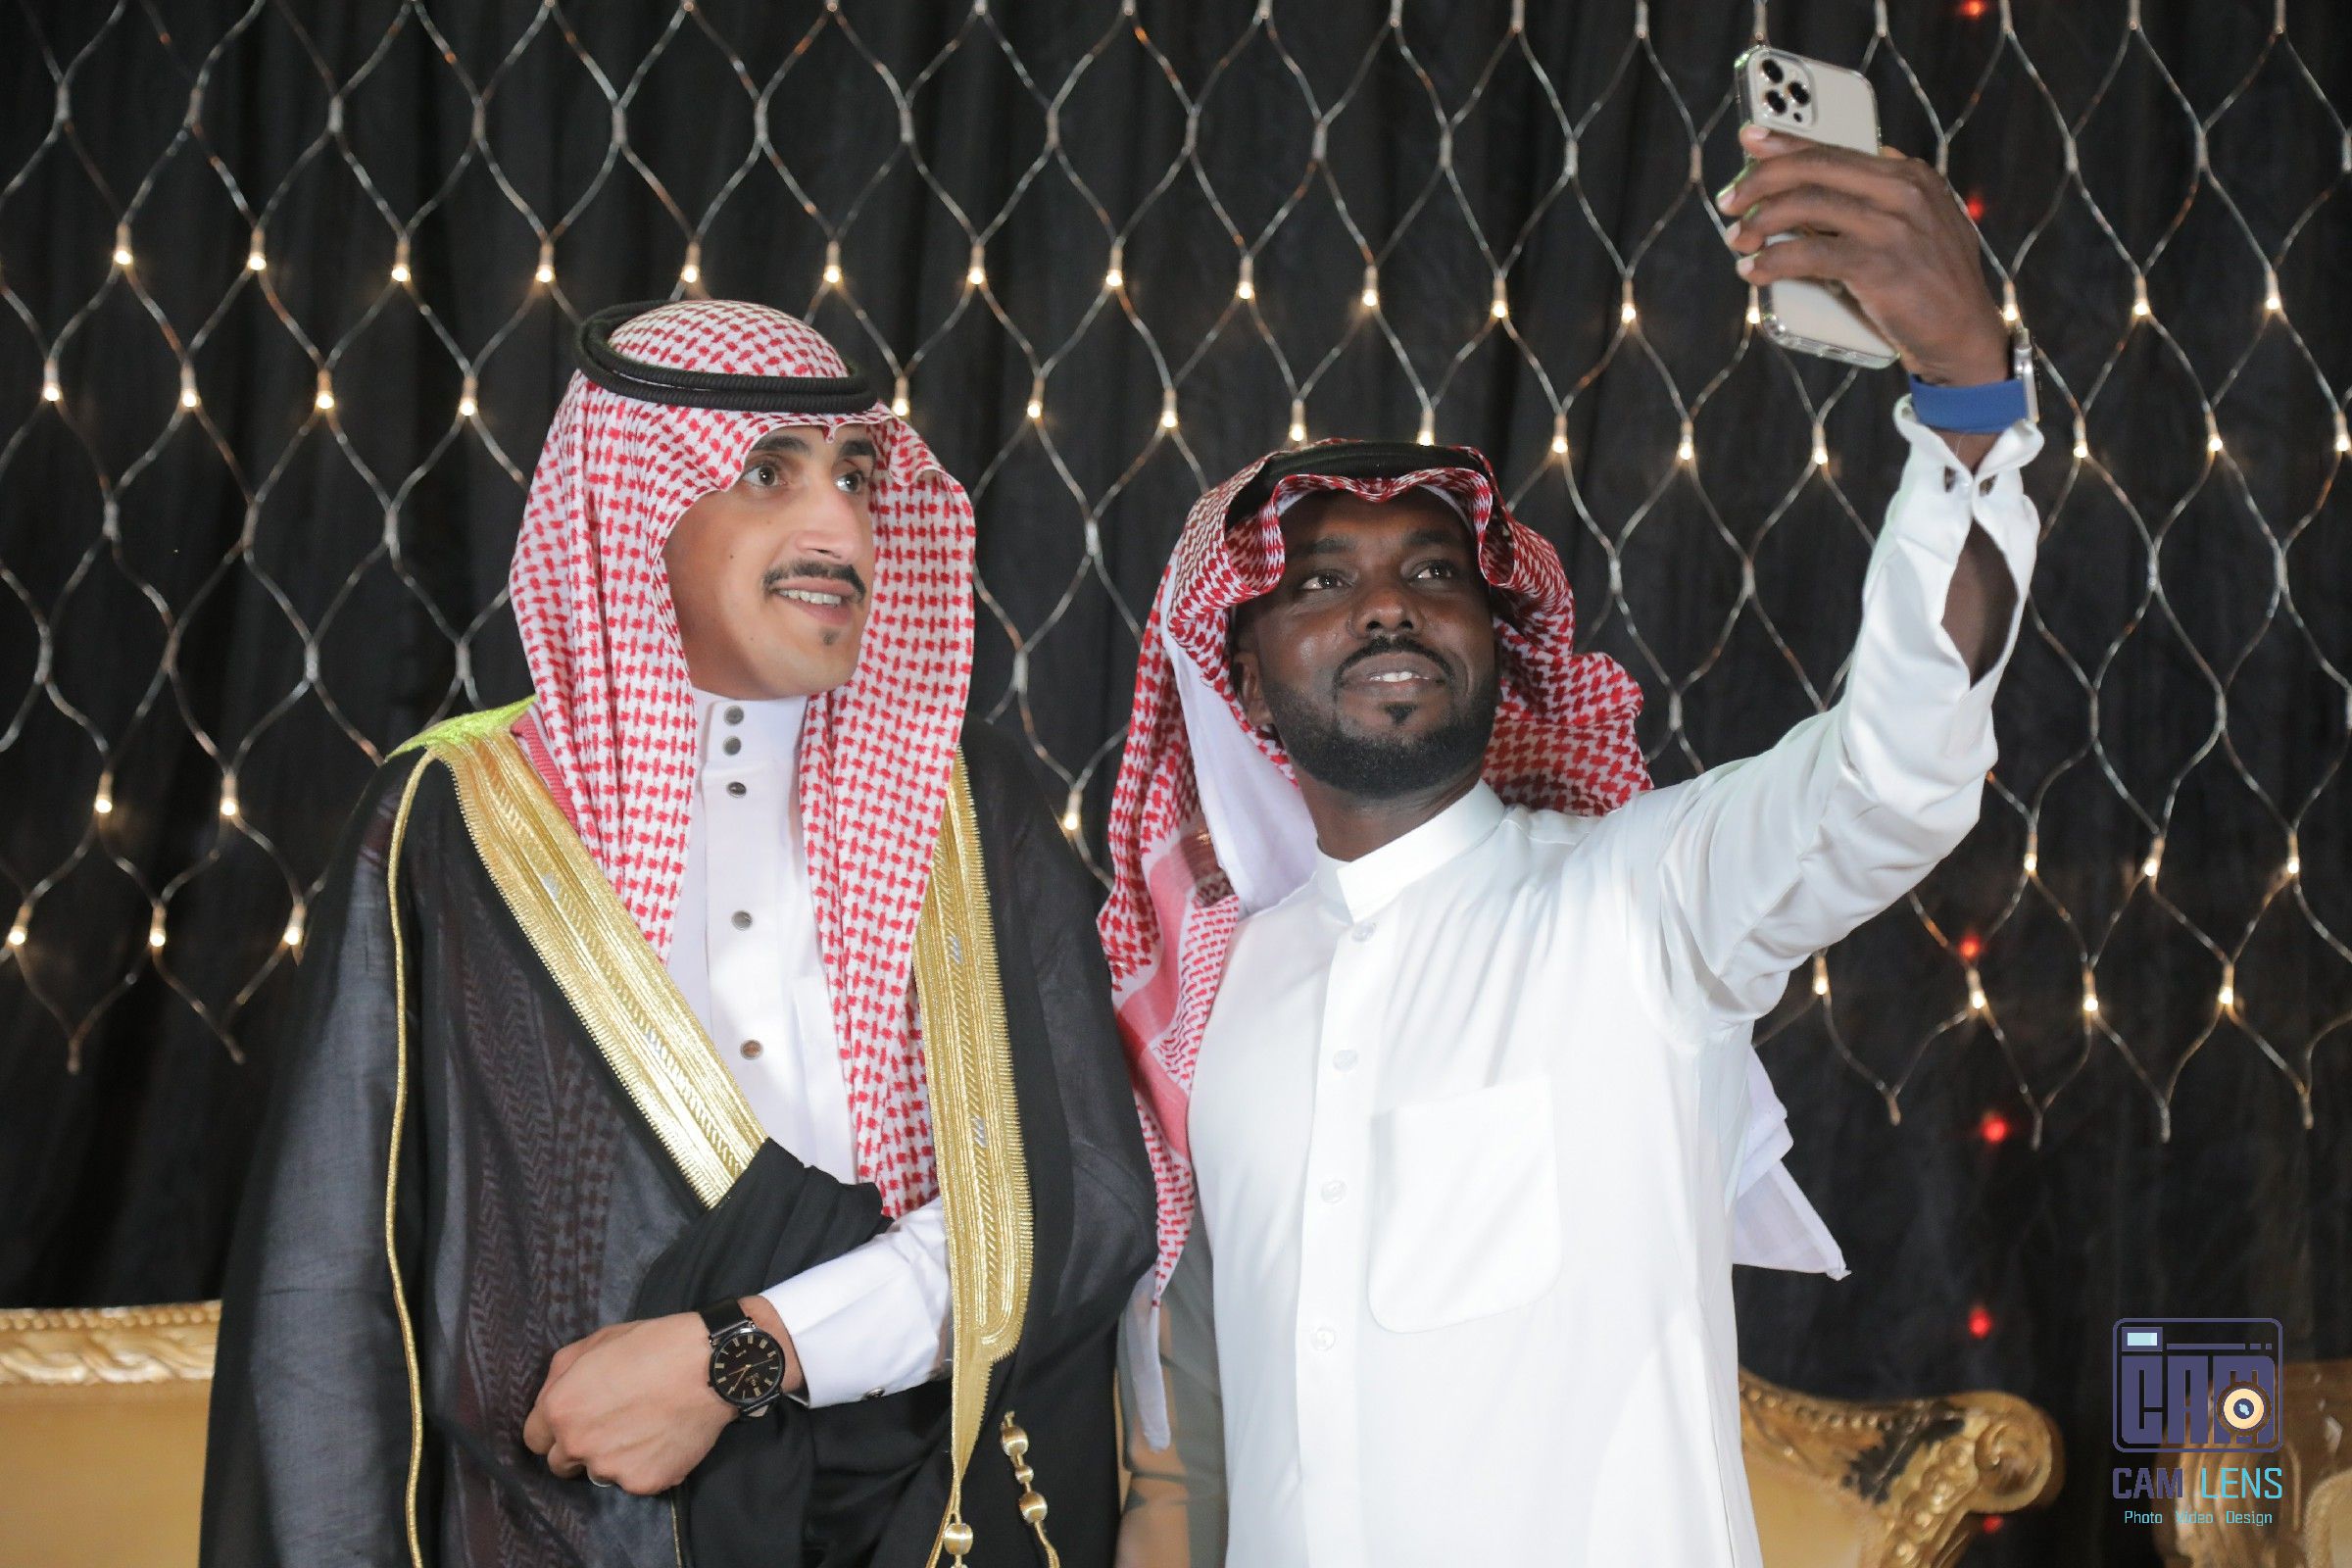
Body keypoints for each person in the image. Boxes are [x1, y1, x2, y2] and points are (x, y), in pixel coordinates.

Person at [1102, 125, 2041, 1567]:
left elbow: (1894, 774)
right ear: (1244, 680)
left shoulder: (1642, 905)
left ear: (1504, 639)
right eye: (1324, 582)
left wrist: (1967, 396)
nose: (1388, 606)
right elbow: (1200, 1440)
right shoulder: (1210, 1005)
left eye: (1435, 571)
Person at [202, 299, 1155, 1568]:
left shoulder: (969, 810)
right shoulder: (461, 820)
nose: (841, 530)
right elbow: (331, 1293)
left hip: (924, 1517)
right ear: (635, 504)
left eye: (856, 477)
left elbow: (1077, 1202)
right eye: (769, 474)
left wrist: (741, 1355)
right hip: (573, 1531)